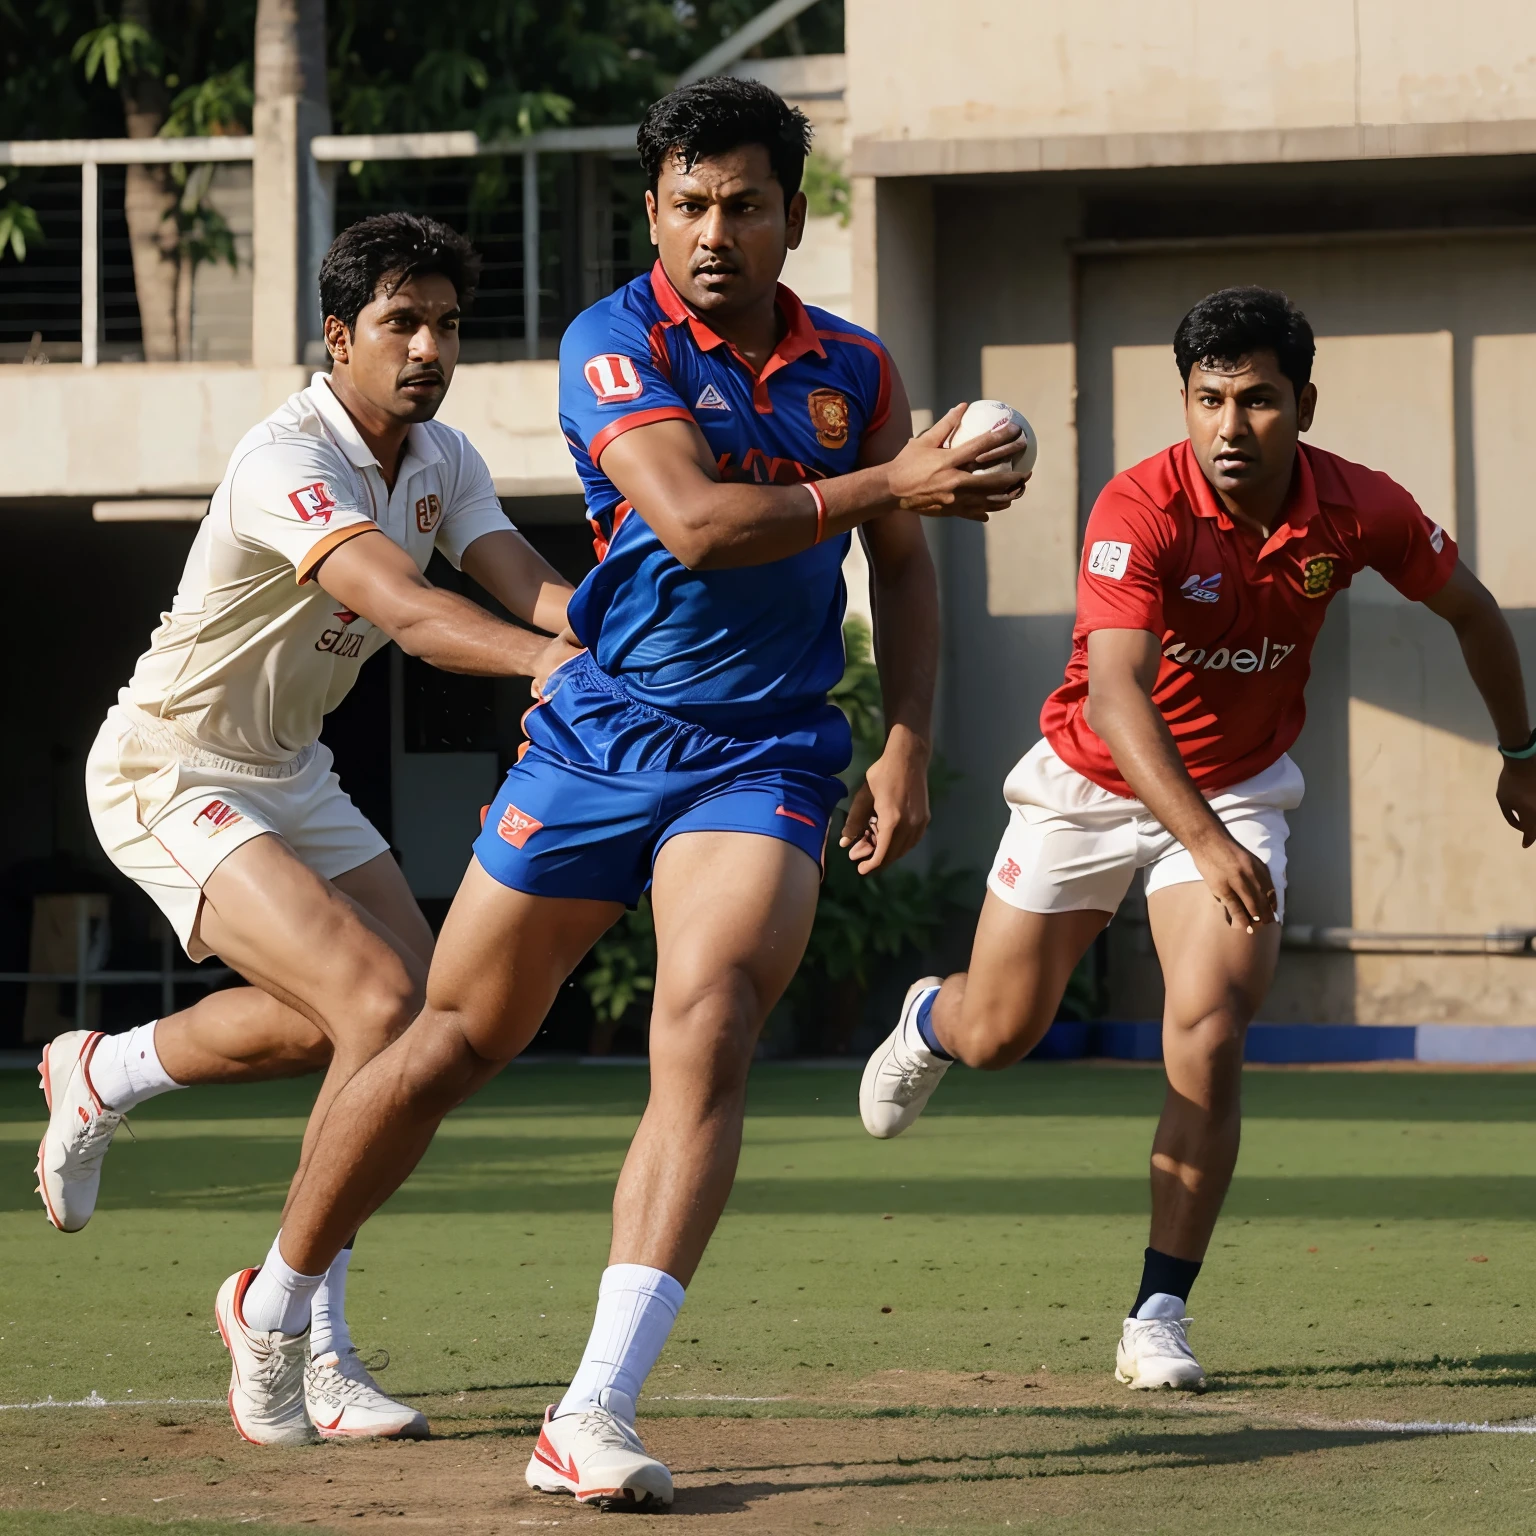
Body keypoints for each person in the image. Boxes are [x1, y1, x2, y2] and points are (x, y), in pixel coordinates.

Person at [212, 77, 1027, 1504]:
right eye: (690, 203)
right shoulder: (614, 340)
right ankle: (276, 1299)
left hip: (765, 752)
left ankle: (591, 1407)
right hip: (598, 739)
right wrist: (890, 482)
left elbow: (902, 567)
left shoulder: (859, 370)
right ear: (653, 212)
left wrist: (904, 737)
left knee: (708, 1024)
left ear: (790, 213)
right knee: (449, 1039)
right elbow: (700, 525)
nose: (716, 229)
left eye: (746, 202)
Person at [860, 285, 1536, 1392]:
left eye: (1258, 400)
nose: (1231, 426)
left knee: (1210, 1031)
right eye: (1209, 399)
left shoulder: (1362, 509)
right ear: (1185, 403)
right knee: (1000, 1033)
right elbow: (1120, 701)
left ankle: (1158, 1311)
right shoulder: (1140, 508)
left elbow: (1472, 608)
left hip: (1241, 787)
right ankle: (932, 1017)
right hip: (1088, 781)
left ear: (1303, 405)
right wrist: (1203, 839)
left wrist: (1523, 752)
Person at [42, 212, 575, 1444]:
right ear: (339, 338)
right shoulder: (288, 456)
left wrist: (622, 645)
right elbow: (409, 609)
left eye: (446, 323)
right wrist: (556, 671)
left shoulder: (440, 457)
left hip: (291, 773)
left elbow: (523, 582)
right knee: (378, 1007)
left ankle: (107, 1071)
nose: (429, 345)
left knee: (432, 1026)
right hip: (168, 766)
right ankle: (300, 1331)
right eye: (401, 322)